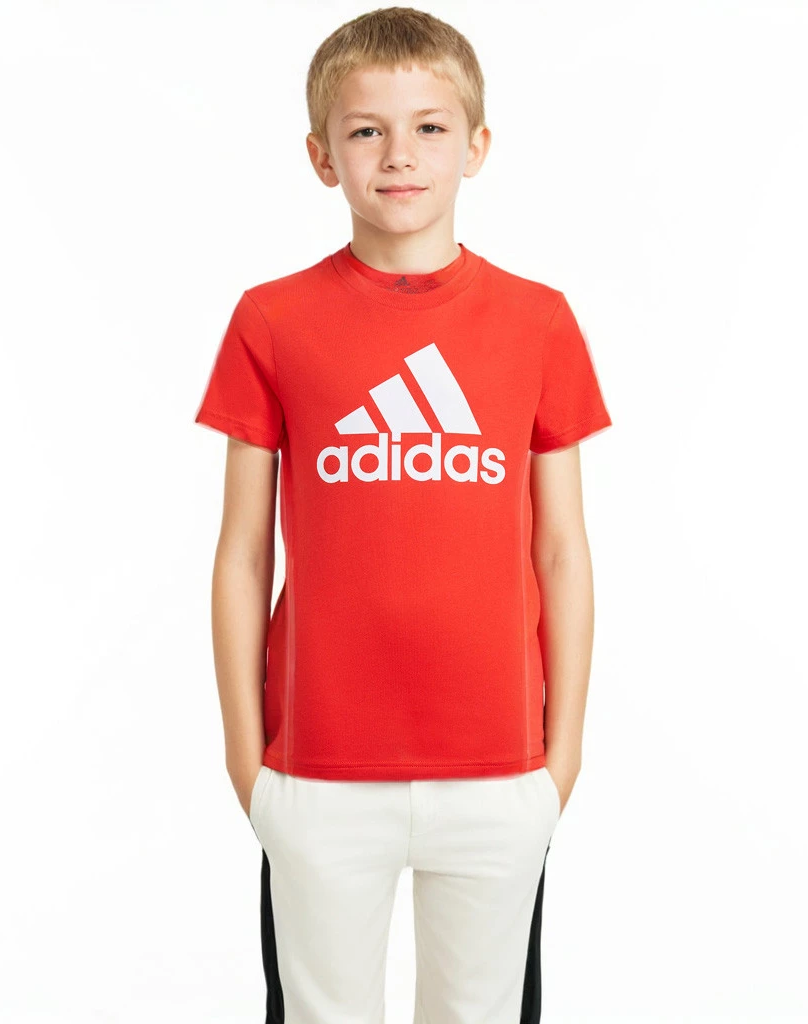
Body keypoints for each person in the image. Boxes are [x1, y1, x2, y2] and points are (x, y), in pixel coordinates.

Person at [193, 7, 612, 1022]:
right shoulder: (272, 319)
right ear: (320, 155)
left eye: (428, 126)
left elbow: (562, 549)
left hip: (500, 768)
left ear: (476, 144)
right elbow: (242, 555)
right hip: (318, 770)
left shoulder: (537, 320)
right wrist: (248, 763)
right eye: (365, 130)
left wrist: (560, 760)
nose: (398, 155)